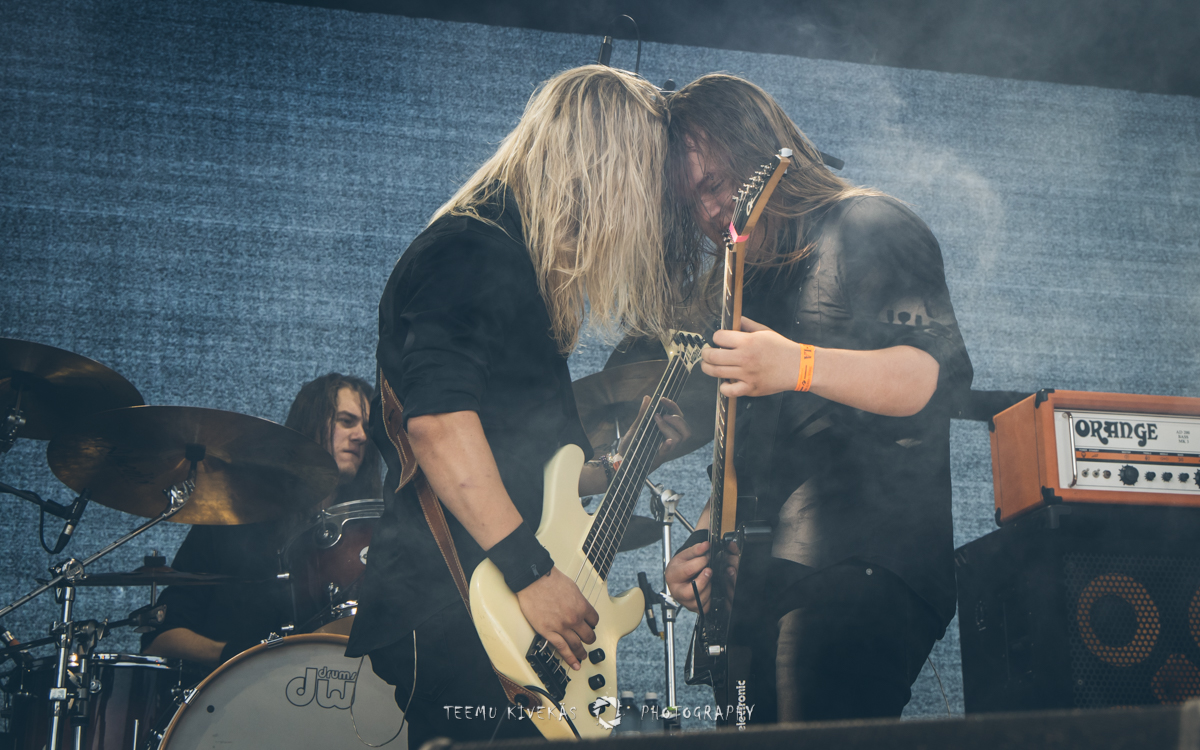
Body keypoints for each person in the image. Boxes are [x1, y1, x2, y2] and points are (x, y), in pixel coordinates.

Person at [345, 65, 690, 746]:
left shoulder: (514, 262)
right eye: (646, 180)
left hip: (492, 596)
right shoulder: (470, 249)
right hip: (460, 598)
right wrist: (531, 573)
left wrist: (620, 466)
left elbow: (519, 463)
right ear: (605, 166)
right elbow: (438, 425)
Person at [663, 74, 974, 724]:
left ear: (757, 150)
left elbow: (929, 378)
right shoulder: (753, 283)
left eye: (716, 183)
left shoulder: (869, 222)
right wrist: (704, 541)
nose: (711, 211)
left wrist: (797, 364)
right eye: (693, 201)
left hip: (858, 560)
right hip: (760, 581)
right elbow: (758, 444)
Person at [141, 373, 381, 671]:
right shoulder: (235, 520)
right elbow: (160, 639)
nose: (361, 436)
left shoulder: (367, 538)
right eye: (346, 421)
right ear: (312, 424)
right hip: (234, 692)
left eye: (367, 427)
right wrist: (238, 655)